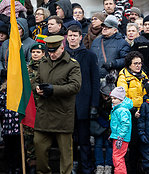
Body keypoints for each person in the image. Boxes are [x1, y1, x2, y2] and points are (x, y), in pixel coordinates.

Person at [32, 35, 81, 174]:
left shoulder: (72, 64)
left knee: (66, 154)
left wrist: (53, 89)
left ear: (62, 47)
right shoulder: (43, 63)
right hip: (44, 114)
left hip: (63, 114)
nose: (52, 54)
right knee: (39, 145)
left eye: (54, 51)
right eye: (49, 51)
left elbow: (75, 86)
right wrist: (36, 88)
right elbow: (35, 81)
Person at [65, 26, 100, 174]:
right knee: (68, 140)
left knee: (85, 140)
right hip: (66, 105)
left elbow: (95, 81)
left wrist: (94, 105)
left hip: (84, 104)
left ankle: (86, 166)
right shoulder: (63, 55)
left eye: (75, 35)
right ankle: (71, 164)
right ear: (66, 37)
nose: (72, 38)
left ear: (81, 37)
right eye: (70, 35)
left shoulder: (90, 56)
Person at [117, 51, 148, 174]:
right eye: (135, 63)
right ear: (129, 64)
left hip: (142, 113)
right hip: (131, 114)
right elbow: (122, 97)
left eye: (140, 63)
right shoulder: (123, 77)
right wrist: (133, 110)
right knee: (133, 145)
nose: (138, 66)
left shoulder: (144, 76)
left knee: (142, 144)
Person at [25, 43, 46, 174]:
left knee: (43, 138)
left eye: (38, 52)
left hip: (44, 107)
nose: (35, 54)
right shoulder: (27, 68)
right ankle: (31, 164)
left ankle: (43, 165)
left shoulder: (48, 67)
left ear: (44, 53)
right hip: (30, 107)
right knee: (29, 137)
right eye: (33, 52)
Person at [90, 15, 130, 79]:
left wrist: (113, 63)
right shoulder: (96, 40)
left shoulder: (122, 43)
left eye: (108, 27)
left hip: (111, 80)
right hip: (94, 77)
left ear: (115, 30)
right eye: (103, 26)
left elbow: (126, 60)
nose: (104, 28)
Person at [109, 86, 133, 174]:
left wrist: (120, 137)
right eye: (112, 98)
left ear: (121, 99)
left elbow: (125, 124)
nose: (113, 100)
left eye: (115, 98)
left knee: (117, 157)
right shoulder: (118, 109)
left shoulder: (121, 110)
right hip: (118, 137)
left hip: (121, 138)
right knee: (117, 157)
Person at [95, 74, 115, 174]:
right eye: (104, 95)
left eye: (108, 96)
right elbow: (96, 114)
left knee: (109, 145)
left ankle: (108, 165)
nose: (106, 97)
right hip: (99, 126)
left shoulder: (115, 102)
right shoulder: (98, 101)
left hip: (110, 127)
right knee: (98, 145)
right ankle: (99, 165)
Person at [0, 82, 22, 173]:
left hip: (17, 128)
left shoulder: (19, 93)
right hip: (7, 128)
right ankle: (9, 168)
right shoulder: (3, 94)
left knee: (18, 149)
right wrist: (5, 112)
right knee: (8, 149)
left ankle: (17, 168)